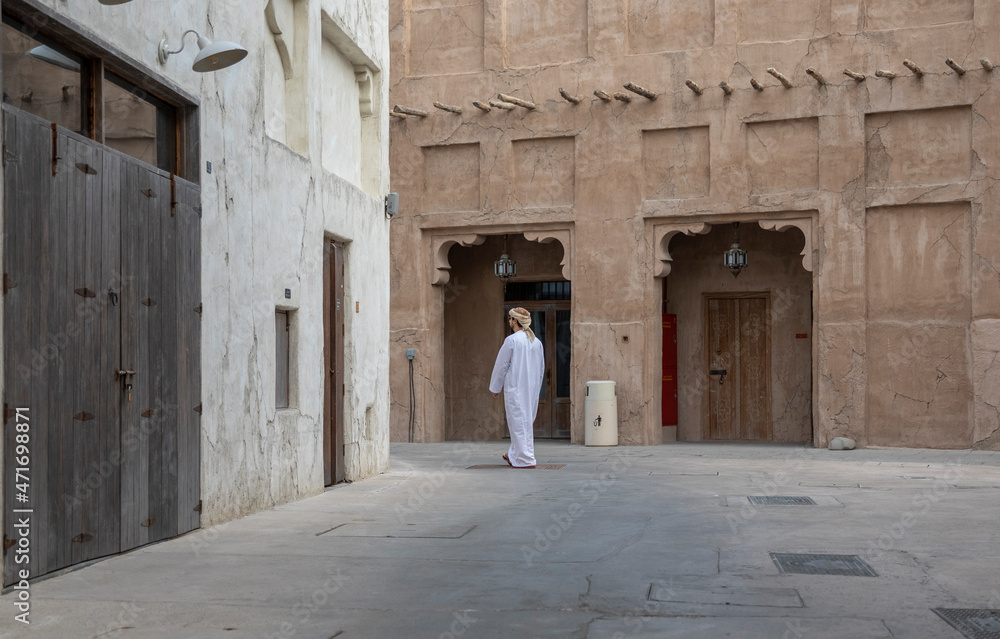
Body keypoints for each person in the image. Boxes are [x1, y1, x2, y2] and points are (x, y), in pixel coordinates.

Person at [489, 307, 544, 469]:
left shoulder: (512, 340)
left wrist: (495, 387)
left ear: (515, 321)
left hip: (516, 387)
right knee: (524, 422)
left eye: (510, 318)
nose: (509, 321)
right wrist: (536, 387)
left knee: (518, 422)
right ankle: (513, 454)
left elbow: (501, 365)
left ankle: (526, 459)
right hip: (531, 388)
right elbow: (541, 368)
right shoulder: (537, 342)